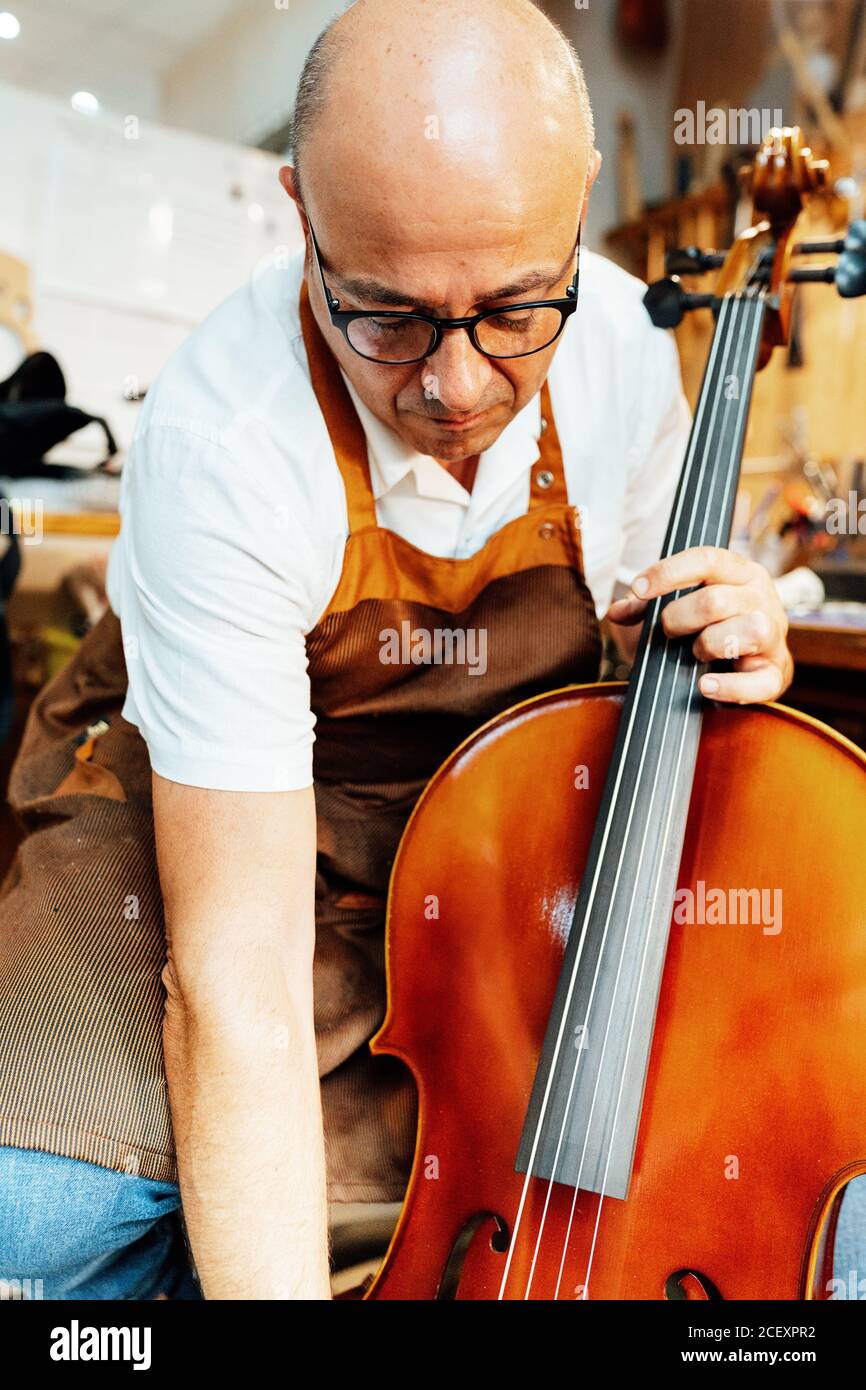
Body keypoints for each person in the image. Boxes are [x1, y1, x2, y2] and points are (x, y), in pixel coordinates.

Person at [0, 0, 793, 1300]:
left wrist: (725, 622)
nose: (460, 387)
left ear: (580, 204)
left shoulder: (623, 357)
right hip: (210, 830)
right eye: (390, 318)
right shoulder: (225, 432)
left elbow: (652, 612)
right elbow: (235, 978)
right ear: (299, 213)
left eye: (516, 309)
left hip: (469, 818)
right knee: (39, 1217)